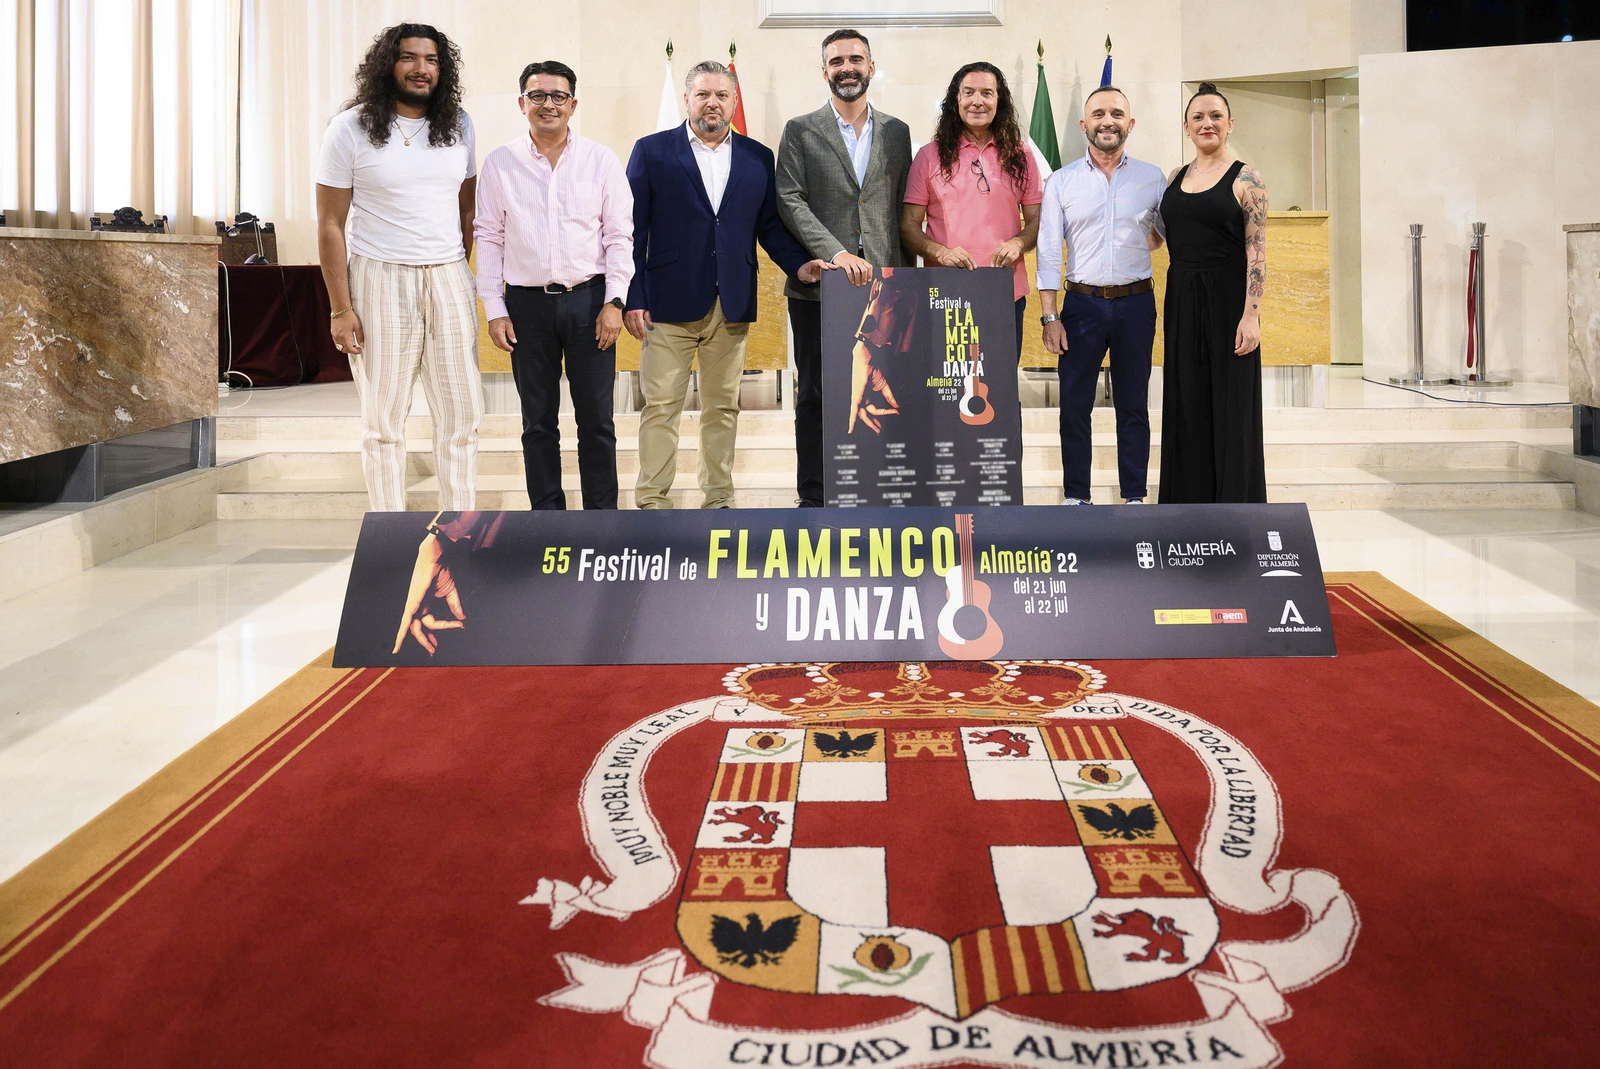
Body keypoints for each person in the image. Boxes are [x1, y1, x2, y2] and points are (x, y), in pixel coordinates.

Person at [623, 61, 830, 510]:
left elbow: (770, 226)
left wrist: (800, 266)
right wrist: (632, 296)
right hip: (666, 303)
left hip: (731, 301)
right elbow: (632, 230)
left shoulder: (758, 156)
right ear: (687, 100)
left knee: (722, 408)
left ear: (734, 101)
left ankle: (718, 499)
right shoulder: (652, 150)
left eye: (721, 95)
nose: (712, 102)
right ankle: (653, 502)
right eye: (703, 94)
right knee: (661, 408)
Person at [316, 23, 481, 512]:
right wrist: (340, 308)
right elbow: (329, 225)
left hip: (448, 276)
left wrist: (456, 269)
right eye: (409, 58)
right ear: (388, 64)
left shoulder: (460, 124)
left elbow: (467, 212)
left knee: (462, 415)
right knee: (384, 420)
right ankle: (389, 536)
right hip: (379, 277)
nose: (421, 69)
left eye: (431, 60)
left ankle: (461, 531)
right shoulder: (349, 128)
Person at [475, 60, 633, 511]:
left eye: (558, 96)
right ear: (522, 103)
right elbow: (487, 236)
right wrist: (494, 307)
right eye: (538, 95)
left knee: (597, 422)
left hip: (590, 304)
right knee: (537, 422)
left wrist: (614, 302)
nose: (548, 104)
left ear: (573, 104)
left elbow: (619, 235)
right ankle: (547, 521)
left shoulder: (600, 159)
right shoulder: (499, 163)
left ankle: (602, 520)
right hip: (526, 308)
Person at [775, 28, 913, 507]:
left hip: (884, 289)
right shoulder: (800, 130)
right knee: (815, 393)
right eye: (837, 61)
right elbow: (789, 200)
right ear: (824, 71)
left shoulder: (897, 132)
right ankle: (813, 496)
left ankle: (875, 488)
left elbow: (901, 209)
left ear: (871, 67)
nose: (847, 68)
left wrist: (907, 280)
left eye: (856, 59)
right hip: (820, 288)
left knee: (881, 390)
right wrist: (836, 253)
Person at [1037, 85, 1166, 506]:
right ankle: (1077, 496)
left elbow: (1161, 236)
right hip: (1081, 307)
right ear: (1083, 124)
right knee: (1075, 407)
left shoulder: (1152, 178)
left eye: (1116, 114)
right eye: (1098, 114)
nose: (1106, 121)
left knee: (1134, 406)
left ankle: (1134, 496)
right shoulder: (1061, 181)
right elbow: (1049, 250)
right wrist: (1049, 315)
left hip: (1135, 303)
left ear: (1130, 123)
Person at [1157, 82, 1269, 504]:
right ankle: (1187, 508)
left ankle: (1235, 510)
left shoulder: (1247, 178)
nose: (1207, 123)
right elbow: (1159, 236)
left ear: (1230, 124)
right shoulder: (1174, 177)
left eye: (1215, 116)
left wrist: (1251, 316)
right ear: (1187, 127)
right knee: (1186, 401)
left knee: (1231, 404)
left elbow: (1257, 254)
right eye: (1199, 117)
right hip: (1182, 298)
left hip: (1229, 303)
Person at [900, 61, 1042, 355]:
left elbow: (1038, 219)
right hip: (945, 293)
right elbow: (908, 225)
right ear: (956, 100)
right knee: (948, 390)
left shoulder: (1022, 155)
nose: (977, 101)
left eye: (987, 93)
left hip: (1005, 290)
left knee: (1001, 388)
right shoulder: (929, 156)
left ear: (999, 101)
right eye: (968, 93)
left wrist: (1019, 242)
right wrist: (941, 252)